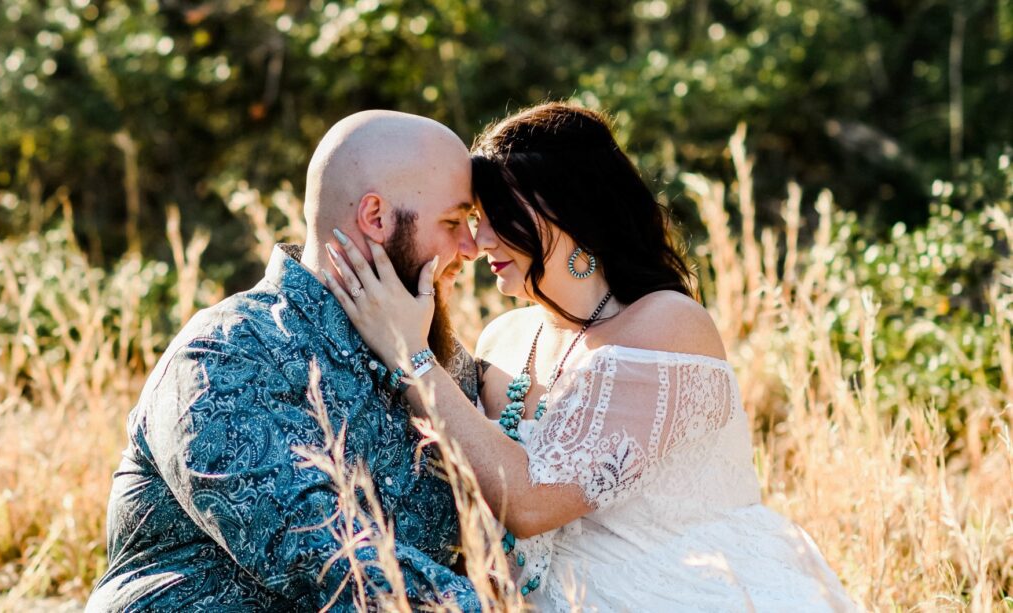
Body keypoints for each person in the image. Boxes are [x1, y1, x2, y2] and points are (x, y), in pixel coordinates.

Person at [321, 102, 857, 611]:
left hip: (684, 592)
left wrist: (409, 352)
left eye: (497, 215)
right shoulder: (503, 339)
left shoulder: (666, 324)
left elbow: (529, 505)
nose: (478, 239)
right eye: (473, 216)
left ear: (567, 210)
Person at [87, 110, 486, 611]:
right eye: (453, 222)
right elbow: (326, 561)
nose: (471, 248)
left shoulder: (439, 370)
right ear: (376, 218)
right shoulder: (224, 355)